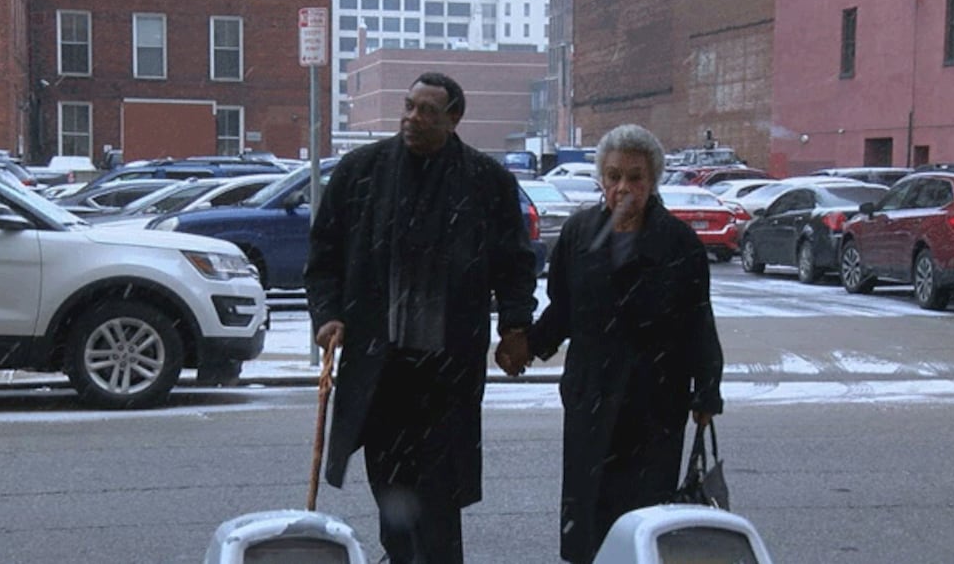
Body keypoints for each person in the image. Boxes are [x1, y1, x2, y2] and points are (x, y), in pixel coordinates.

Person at [304, 71, 537, 564]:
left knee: (439, 493)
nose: (412, 118)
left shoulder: (486, 182)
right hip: (381, 369)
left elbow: (515, 263)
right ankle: (404, 555)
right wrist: (327, 315)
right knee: (389, 486)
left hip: (446, 374)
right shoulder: (362, 172)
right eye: (408, 106)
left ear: (454, 119)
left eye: (427, 111)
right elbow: (324, 255)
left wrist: (515, 326)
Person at [522, 123, 724, 563]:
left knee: (644, 514)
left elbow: (698, 321)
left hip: (654, 402)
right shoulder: (578, 233)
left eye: (635, 177)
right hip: (590, 396)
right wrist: (527, 346)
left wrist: (707, 388)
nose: (623, 188)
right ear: (601, 180)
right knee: (585, 509)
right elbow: (563, 309)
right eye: (613, 176)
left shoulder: (678, 243)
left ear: (652, 181)